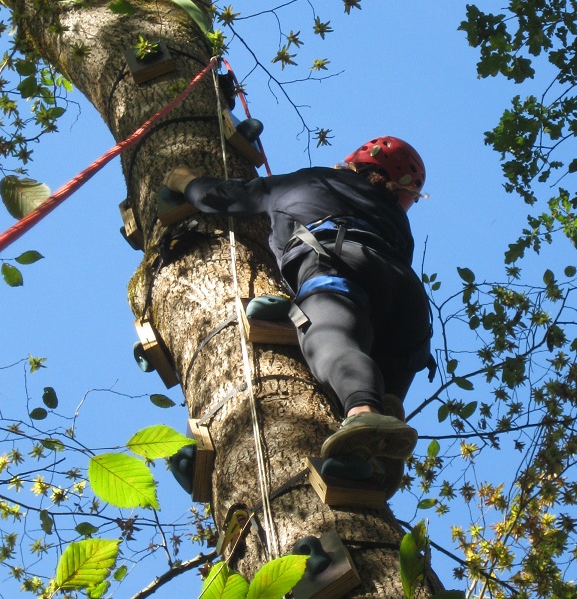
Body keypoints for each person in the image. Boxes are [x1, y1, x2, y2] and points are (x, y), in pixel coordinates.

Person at [161, 136, 432, 490]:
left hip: (339, 264)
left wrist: (185, 182)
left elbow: (230, 196)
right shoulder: (397, 219)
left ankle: (365, 415)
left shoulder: (310, 181)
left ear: (354, 163)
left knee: (328, 337)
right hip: (407, 304)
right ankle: (377, 421)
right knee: (366, 367)